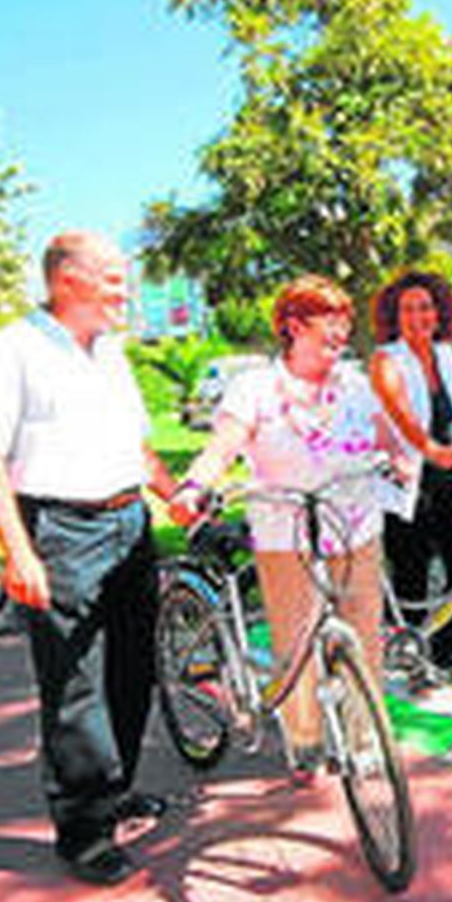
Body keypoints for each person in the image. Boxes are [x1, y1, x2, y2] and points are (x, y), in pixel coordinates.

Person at [0, 231, 178, 885]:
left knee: (135, 671)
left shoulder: (111, 352)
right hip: (61, 529)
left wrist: (175, 497)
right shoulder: (13, 349)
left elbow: (138, 445)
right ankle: (83, 833)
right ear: (68, 278)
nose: (123, 288)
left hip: (130, 520)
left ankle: (114, 790)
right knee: (76, 686)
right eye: (112, 276)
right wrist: (18, 552)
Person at [169, 275, 402, 782]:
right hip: (285, 533)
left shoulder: (357, 386)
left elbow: (387, 437)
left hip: (353, 527)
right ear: (294, 326)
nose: (341, 333)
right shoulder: (253, 388)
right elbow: (223, 445)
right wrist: (194, 486)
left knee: (364, 636)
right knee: (295, 639)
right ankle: (306, 739)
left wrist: (401, 460)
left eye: (345, 322)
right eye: (329, 323)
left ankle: (365, 740)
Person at [368, 271, 452, 679]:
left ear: (439, 312)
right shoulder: (387, 359)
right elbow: (401, 415)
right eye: (408, 309)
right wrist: (430, 449)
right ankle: (412, 656)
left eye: (425, 307)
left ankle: (450, 650)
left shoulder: (447, 355)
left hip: (449, 476)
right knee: (411, 572)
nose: (418, 316)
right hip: (408, 480)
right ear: (395, 317)